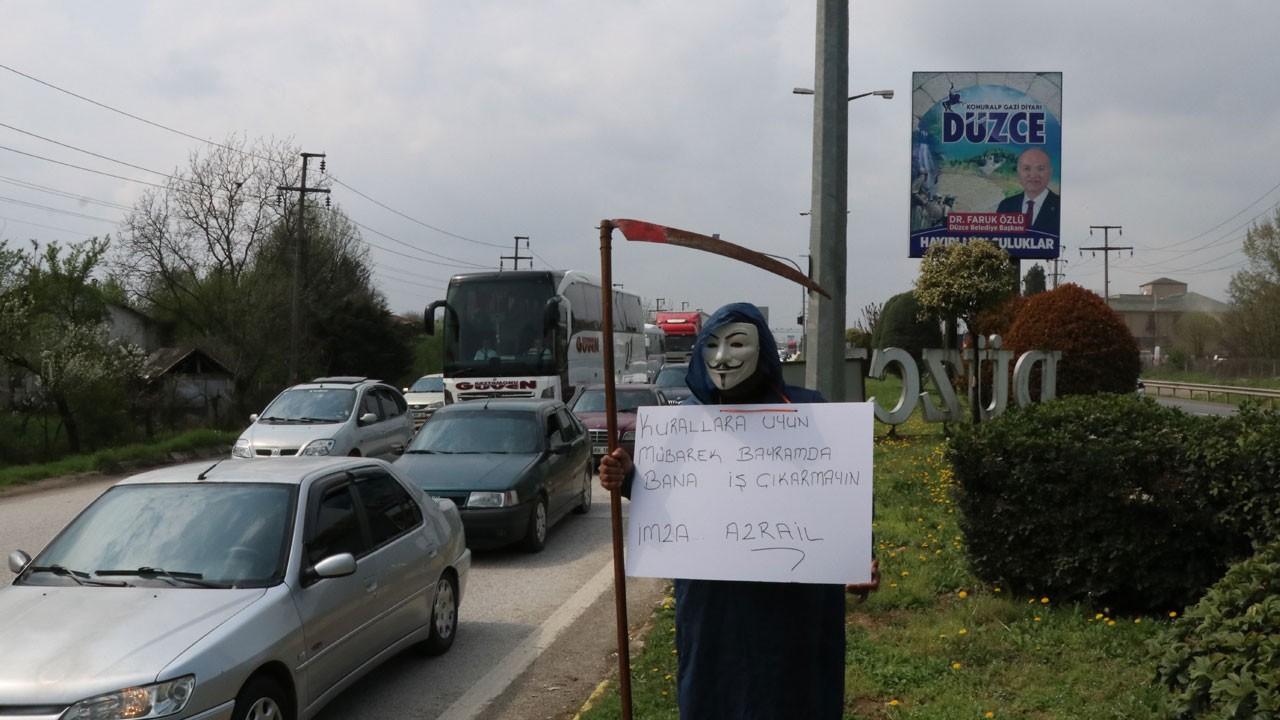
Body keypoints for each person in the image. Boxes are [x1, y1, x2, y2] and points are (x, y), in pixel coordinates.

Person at [598, 302, 880, 719]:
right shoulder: (685, 423)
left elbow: (843, 493)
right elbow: (672, 498)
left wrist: (861, 557)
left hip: (796, 609)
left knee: (796, 696)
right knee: (715, 697)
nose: (722, 357)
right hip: (714, 610)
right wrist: (628, 478)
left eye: (736, 344)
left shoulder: (810, 412)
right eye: (710, 345)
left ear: (762, 349)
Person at [996, 147, 1060, 235]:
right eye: (1026, 168)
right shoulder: (1006, 206)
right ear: (1018, 172)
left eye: (1040, 169)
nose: (1033, 175)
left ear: (1050, 172)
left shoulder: (1061, 206)